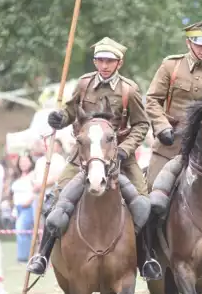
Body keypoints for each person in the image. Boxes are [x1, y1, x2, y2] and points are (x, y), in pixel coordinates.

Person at [27, 37, 151, 277]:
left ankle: (147, 259)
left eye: (109, 61)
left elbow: (141, 125)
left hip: (120, 156)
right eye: (100, 60)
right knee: (54, 200)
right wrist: (60, 119)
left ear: (119, 62)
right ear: (95, 61)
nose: (104, 65)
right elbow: (71, 111)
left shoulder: (129, 90)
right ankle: (42, 255)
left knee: (145, 205)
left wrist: (125, 149)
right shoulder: (83, 84)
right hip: (82, 157)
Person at [144, 21, 202, 279]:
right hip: (171, 146)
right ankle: (149, 254)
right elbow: (152, 100)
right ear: (188, 43)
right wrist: (162, 127)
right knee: (150, 196)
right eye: (199, 44)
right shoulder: (170, 67)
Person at [11, 154, 35, 264]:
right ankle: (28, 256)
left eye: (26, 161)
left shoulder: (33, 175)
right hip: (18, 207)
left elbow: (36, 191)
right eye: (21, 161)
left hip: (28, 207)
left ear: (30, 162)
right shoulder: (17, 176)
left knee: (21, 229)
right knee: (23, 232)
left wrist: (29, 201)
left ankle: (23, 257)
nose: (23, 164)